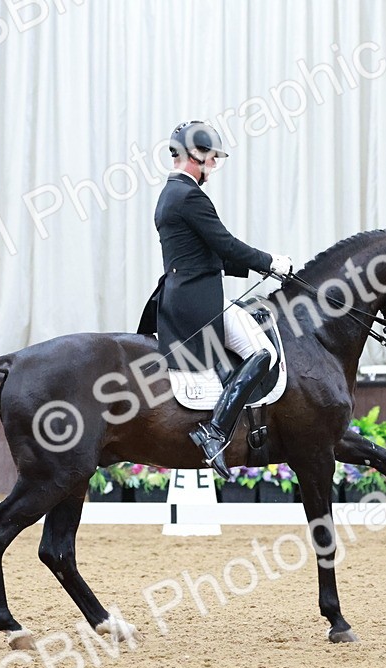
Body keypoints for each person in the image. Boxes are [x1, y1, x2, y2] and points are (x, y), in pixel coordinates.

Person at [136, 120, 293, 479]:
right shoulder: (189, 195)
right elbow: (225, 244)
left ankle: (218, 427)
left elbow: (207, 254)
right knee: (262, 353)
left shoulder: (169, 194)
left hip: (182, 295)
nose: (213, 168)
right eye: (212, 159)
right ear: (196, 156)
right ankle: (215, 431)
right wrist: (272, 262)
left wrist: (258, 269)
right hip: (196, 303)